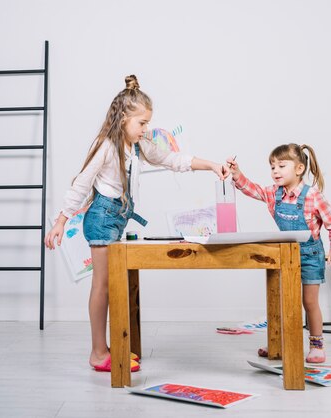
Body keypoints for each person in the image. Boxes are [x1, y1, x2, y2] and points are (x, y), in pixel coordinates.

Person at [44, 75, 230, 372]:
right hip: (102, 219)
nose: (146, 129)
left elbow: (172, 159)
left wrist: (212, 166)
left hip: (117, 218)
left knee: (114, 284)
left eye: (147, 123)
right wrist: (60, 221)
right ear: (122, 120)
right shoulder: (106, 146)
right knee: (102, 286)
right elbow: (81, 183)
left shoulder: (139, 144)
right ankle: (98, 352)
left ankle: (110, 347)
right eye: (142, 123)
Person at [226, 144, 331, 363]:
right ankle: (277, 342)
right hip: (285, 253)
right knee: (281, 300)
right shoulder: (273, 193)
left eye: (281, 166)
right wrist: (237, 174)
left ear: (299, 169)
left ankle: (316, 345)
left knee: (309, 302)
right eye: (272, 167)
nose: (275, 171)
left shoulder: (313, 196)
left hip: (310, 255)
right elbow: (253, 189)